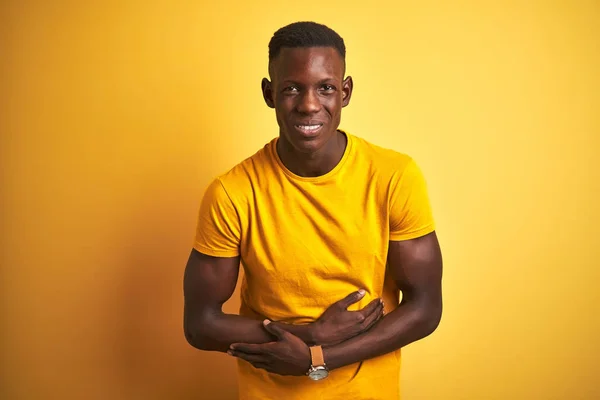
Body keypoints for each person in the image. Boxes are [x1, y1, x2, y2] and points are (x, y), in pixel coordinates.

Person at [183, 21, 443, 400]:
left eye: (326, 87)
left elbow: (425, 307)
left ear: (346, 92)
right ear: (269, 94)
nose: (308, 104)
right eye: (291, 88)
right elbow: (200, 323)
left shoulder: (394, 177)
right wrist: (309, 335)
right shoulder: (232, 192)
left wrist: (317, 357)